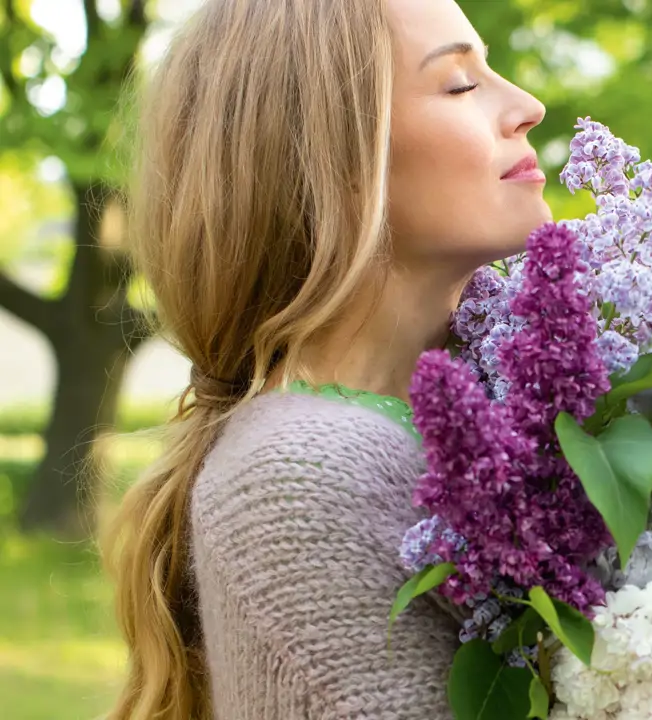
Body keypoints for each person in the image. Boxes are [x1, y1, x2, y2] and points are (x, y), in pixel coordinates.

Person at [101, 0, 551, 717]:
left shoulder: (525, 405)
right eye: (461, 84)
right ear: (333, 159)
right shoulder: (298, 478)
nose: (528, 106)